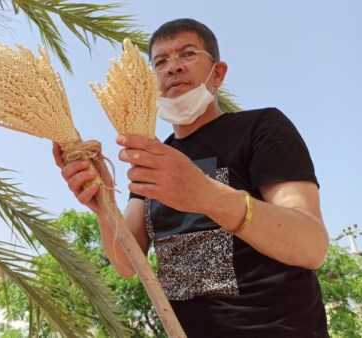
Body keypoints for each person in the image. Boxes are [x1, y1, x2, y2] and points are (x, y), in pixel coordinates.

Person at [53, 18, 329, 337]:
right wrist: (103, 205)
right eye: (160, 61)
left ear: (218, 74)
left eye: (188, 54)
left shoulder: (261, 127)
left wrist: (204, 194)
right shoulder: (154, 156)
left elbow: (312, 244)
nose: (173, 67)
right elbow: (128, 264)